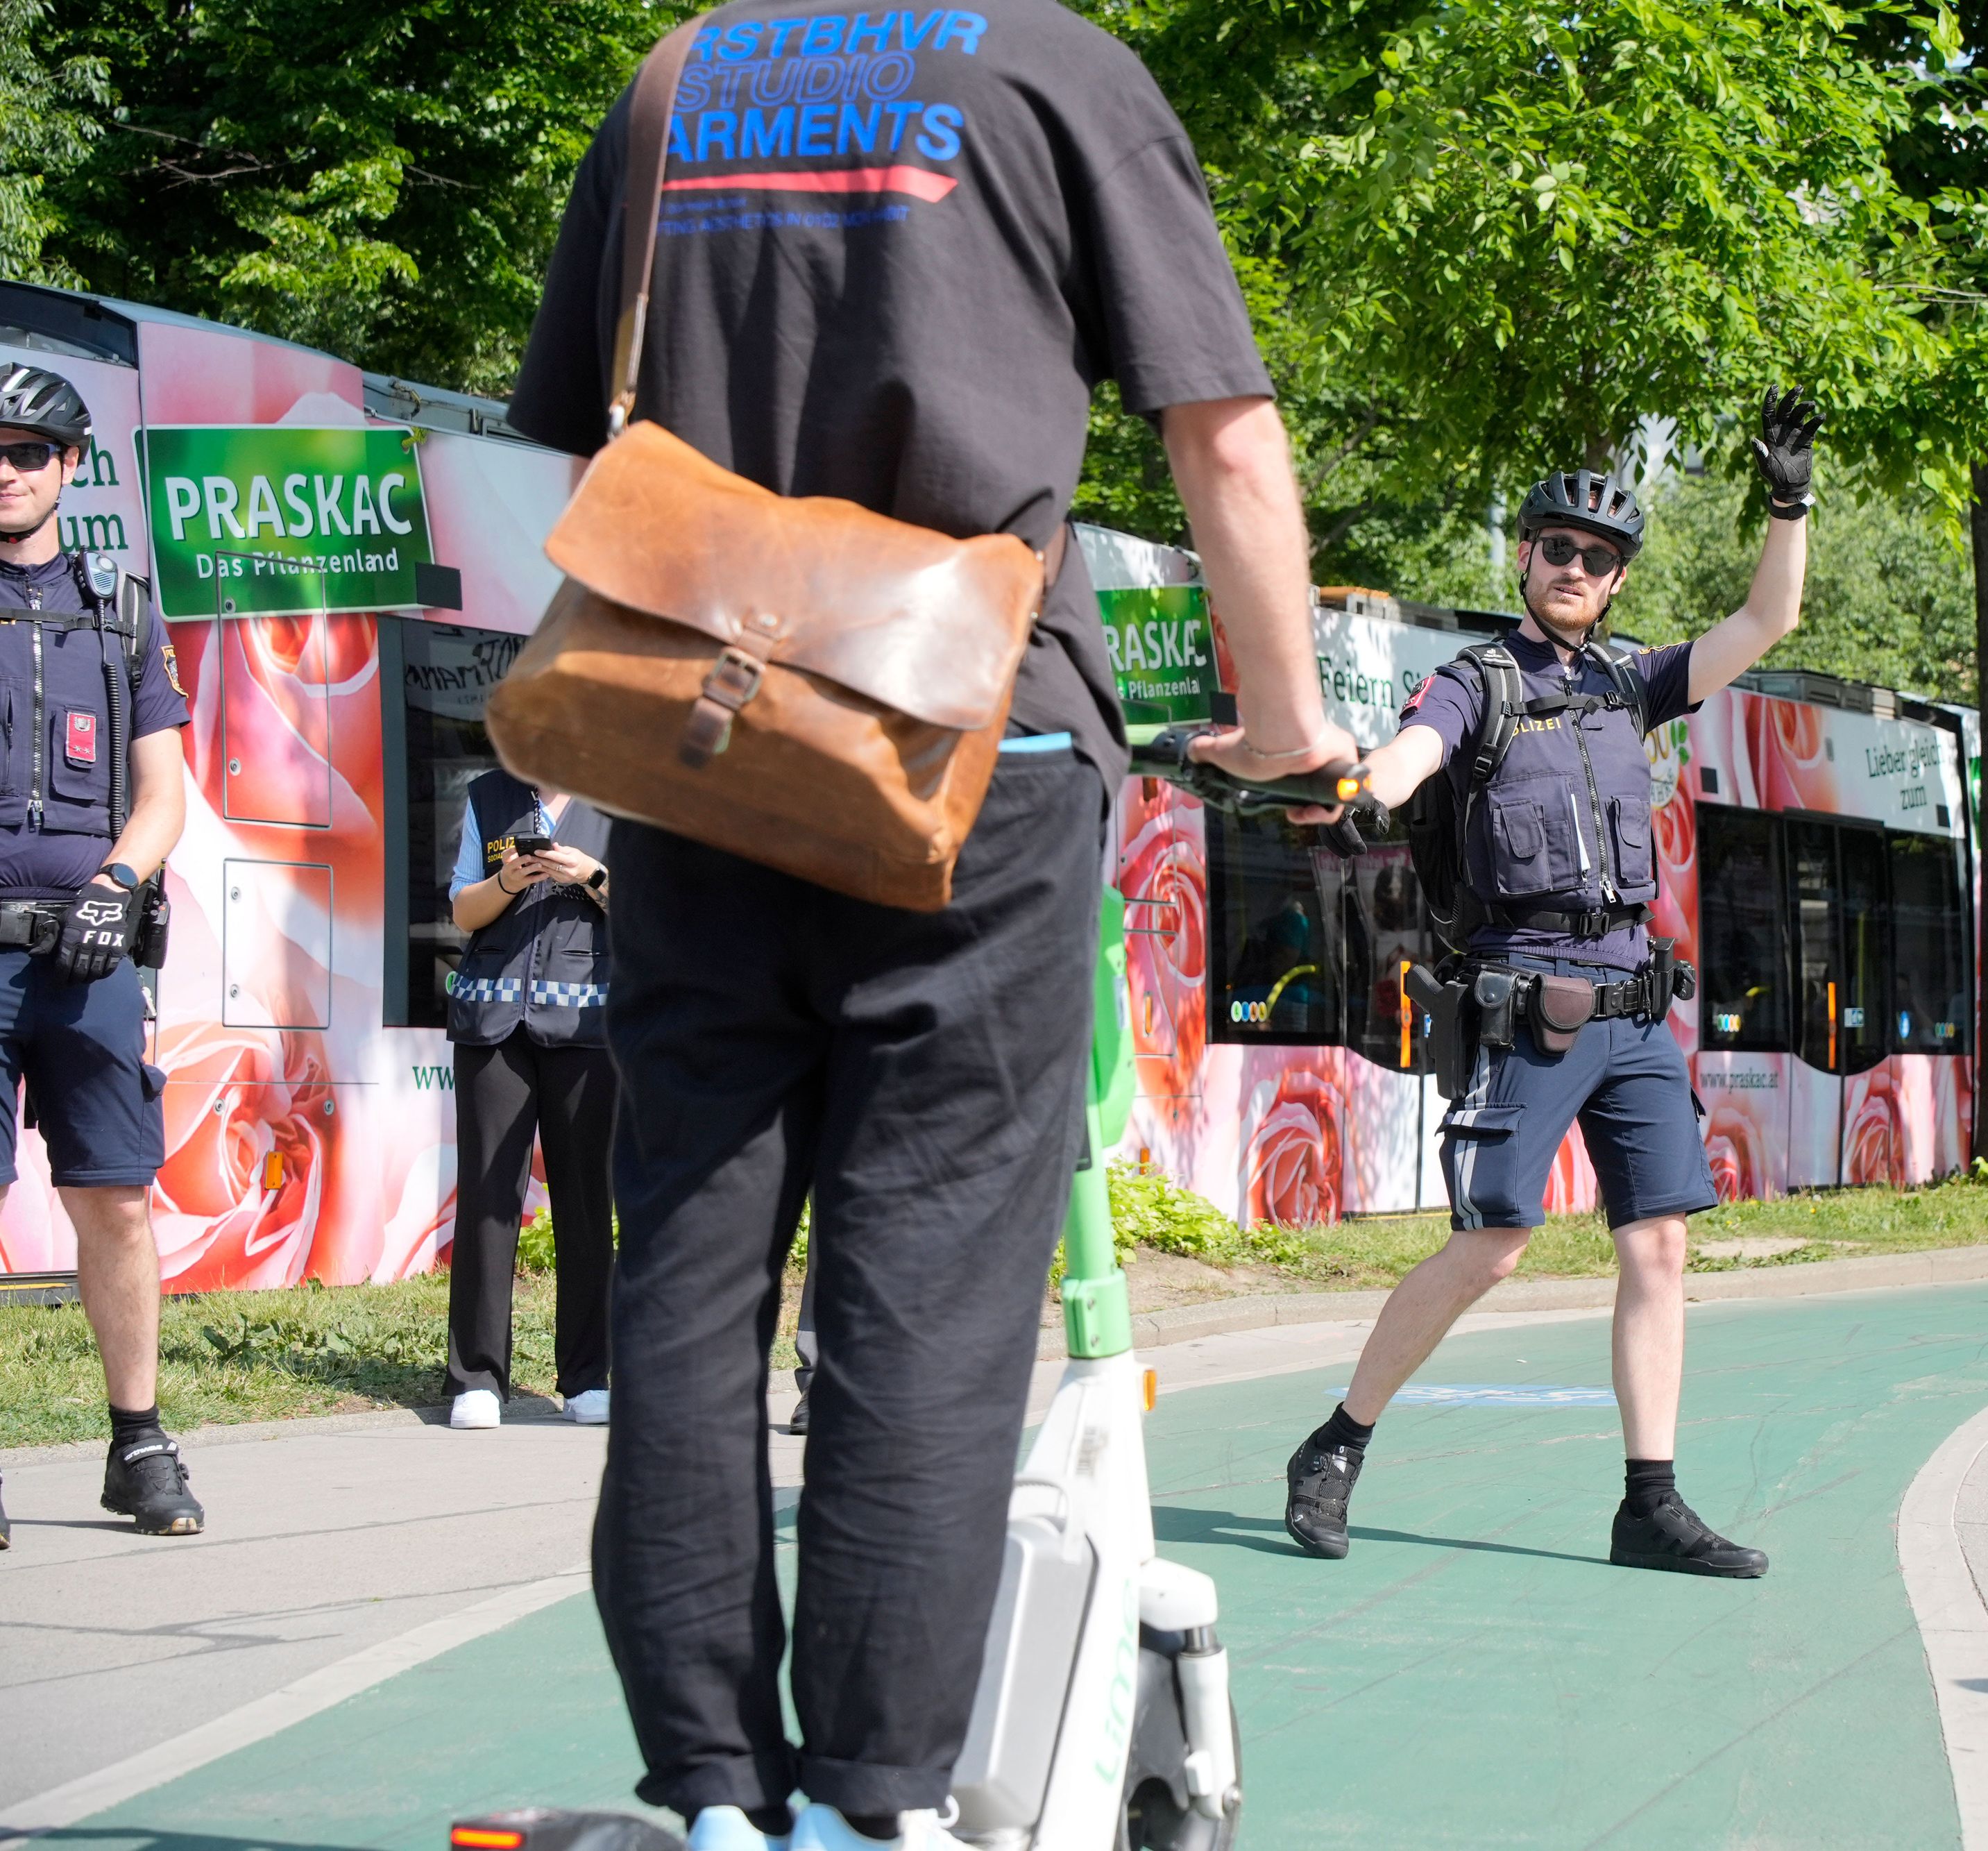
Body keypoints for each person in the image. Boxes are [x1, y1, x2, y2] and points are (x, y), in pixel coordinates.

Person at [507, 6, 1356, 1847]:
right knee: (927, 1287)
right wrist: (1286, 726)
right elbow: (1223, 436)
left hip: (708, 753)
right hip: (973, 754)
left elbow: (582, 445)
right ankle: (865, 1802)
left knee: (687, 1276)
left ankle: (713, 1792)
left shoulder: (678, 80)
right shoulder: (1058, 73)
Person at [1282, 389, 1823, 1580]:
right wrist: (1365, 785)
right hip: (1528, 1005)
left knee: (1661, 1246)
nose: (1578, 566)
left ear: (1619, 580)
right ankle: (1335, 1444)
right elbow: (1413, 749)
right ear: (1526, 557)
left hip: (1633, 1006)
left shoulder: (1635, 683)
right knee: (1496, 1246)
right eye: (1560, 548)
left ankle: (1649, 1502)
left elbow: (1765, 620)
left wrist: (1788, 500)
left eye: (1600, 557)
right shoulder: (1476, 681)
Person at [0, 363, 196, 1550]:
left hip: (89, 957)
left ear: (73, 467)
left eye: (30, 451)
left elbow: (165, 793)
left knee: (116, 1202)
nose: (7, 470)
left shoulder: (123, 610)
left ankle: (138, 1444)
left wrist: (118, 885)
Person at [441, 771, 614, 1430]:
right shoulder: (491, 795)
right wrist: (509, 882)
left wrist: (591, 874)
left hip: (586, 1028)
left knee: (585, 1201)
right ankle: (478, 1377)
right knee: (488, 1197)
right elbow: (463, 909)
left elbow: (657, 915)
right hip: (492, 1024)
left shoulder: (621, 796)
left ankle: (586, 1377)